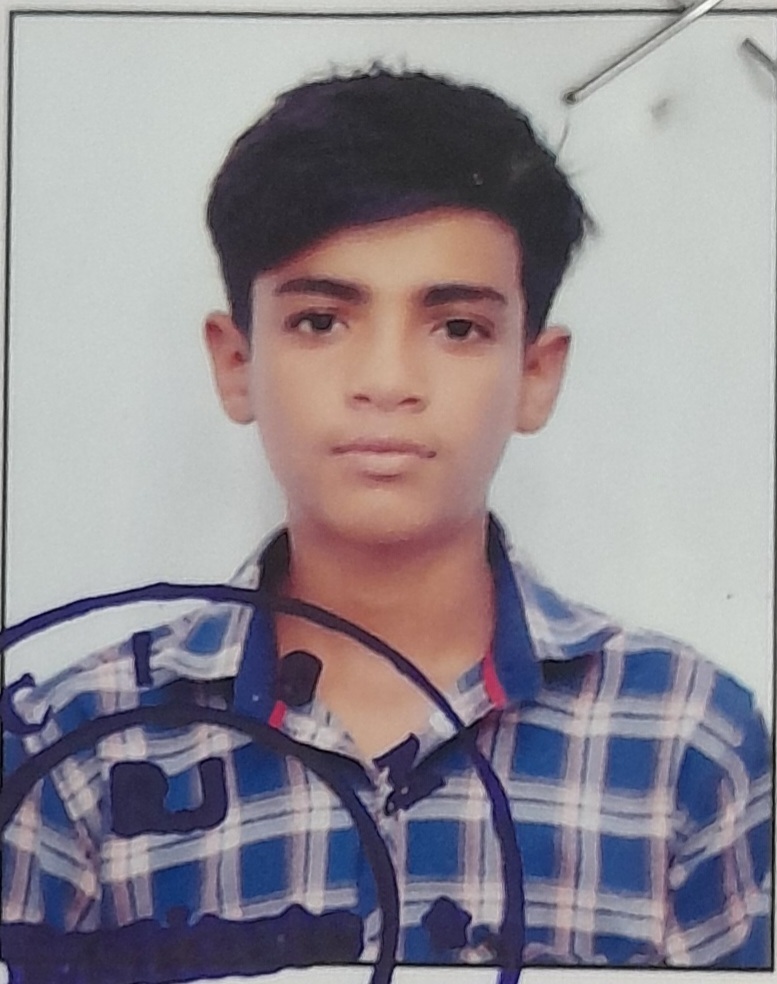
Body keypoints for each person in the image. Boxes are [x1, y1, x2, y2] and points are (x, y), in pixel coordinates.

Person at [1, 66, 771, 980]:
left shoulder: (685, 740)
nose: (386, 381)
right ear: (236, 362)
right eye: (321, 321)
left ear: (535, 374)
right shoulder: (77, 746)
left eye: (456, 328)